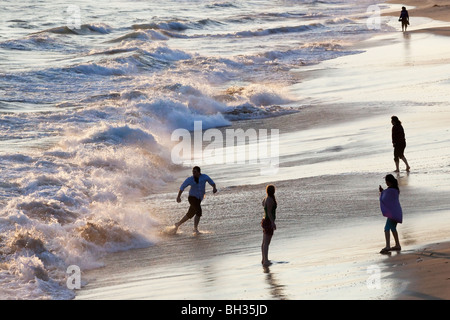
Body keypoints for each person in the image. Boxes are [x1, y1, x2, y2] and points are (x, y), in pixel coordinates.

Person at [174, 166, 217, 234]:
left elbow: (212, 183)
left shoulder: (204, 177)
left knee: (190, 214)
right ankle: (195, 229)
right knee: (199, 211)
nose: (194, 174)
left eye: (195, 172)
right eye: (193, 172)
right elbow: (182, 187)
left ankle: (178, 224)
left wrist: (214, 188)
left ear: (199, 172)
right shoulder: (190, 179)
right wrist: (178, 196)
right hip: (192, 198)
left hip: (199, 198)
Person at [378, 174, 402, 253]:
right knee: (393, 228)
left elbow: (385, 199)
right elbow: (388, 197)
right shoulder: (395, 189)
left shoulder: (390, 190)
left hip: (392, 212)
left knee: (387, 228)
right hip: (397, 211)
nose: (386, 183)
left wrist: (382, 192)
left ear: (389, 181)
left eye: (386, 181)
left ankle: (388, 246)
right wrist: (383, 191)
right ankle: (397, 244)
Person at [261, 185, 277, 267]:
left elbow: (263, 204)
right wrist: (272, 222)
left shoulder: (266, 198)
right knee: (266, 243)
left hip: (264, 220)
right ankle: (266, 260)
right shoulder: (270, 199)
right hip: (268, 221)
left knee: (264, 242)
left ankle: (264, 259)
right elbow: (270, 213)